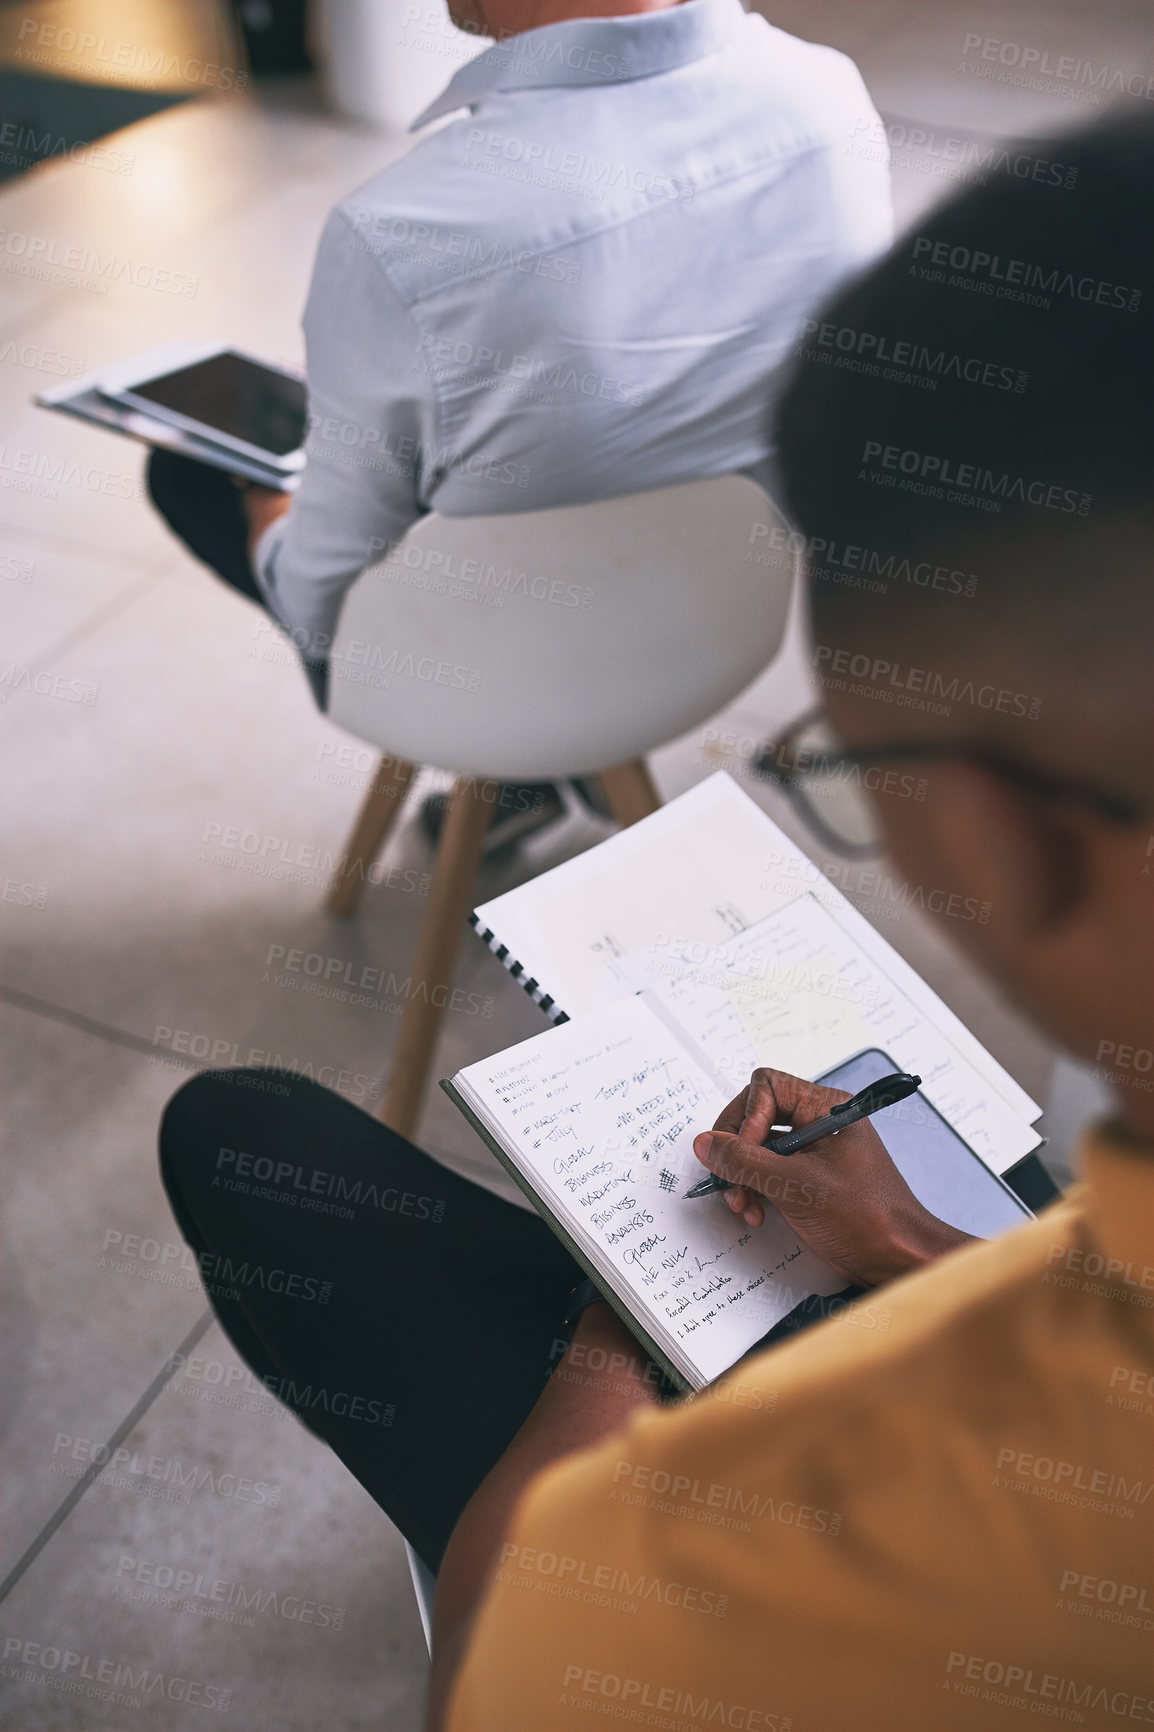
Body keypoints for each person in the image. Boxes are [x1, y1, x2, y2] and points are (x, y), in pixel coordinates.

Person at [157, 109, 1153, 1732]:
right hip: (926, 1232)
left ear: (1006, 832)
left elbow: (497, 1676)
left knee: (240, 1129)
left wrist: (617, 1326)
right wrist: (906, 1242)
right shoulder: (815, 97)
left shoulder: (845, 1547)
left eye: (851, 761)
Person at [149, 0, 890, 835]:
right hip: (716, 634)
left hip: (492, 675)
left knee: (187, 467)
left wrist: (270, 508)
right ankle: (540, 775)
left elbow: (322, 603)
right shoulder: (827, 96)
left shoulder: (403, 228)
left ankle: (527, 763)